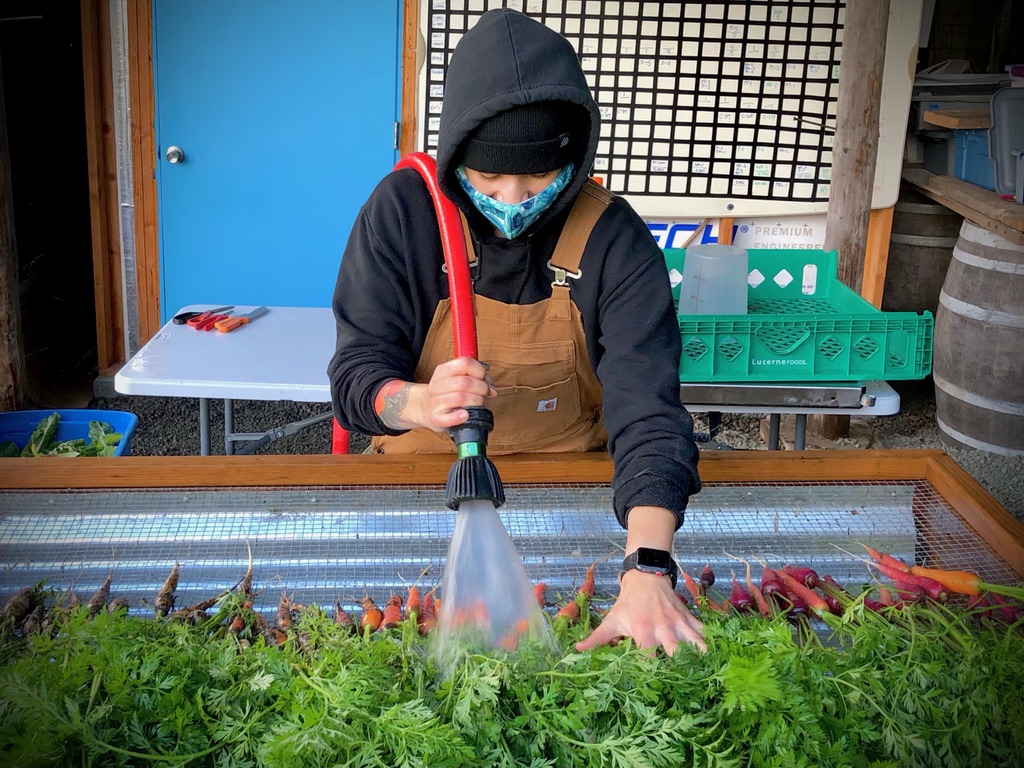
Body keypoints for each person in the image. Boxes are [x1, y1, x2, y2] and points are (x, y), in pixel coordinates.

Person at [328, 7, 703, 654]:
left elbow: (650, 414)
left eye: (535, 176)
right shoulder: (403, 216)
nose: (510, 197)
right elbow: (356, 382)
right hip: (417, 497)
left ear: (573, 158)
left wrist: (646, 566)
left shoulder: (612, 239)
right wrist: (416, 402)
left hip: (574, 504)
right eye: (487, 176)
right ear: (454, 159)